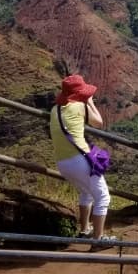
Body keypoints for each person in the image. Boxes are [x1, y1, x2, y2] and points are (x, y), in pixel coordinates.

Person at [49, 73, 115, 243]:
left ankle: (85, 229)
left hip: (63, 163)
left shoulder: (54, 110)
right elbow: (99, 122)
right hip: (80, 161)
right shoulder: (79, 106)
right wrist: (89, 101)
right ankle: (98, 241)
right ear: (79, 95)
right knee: (103, 197)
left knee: (86, 192)